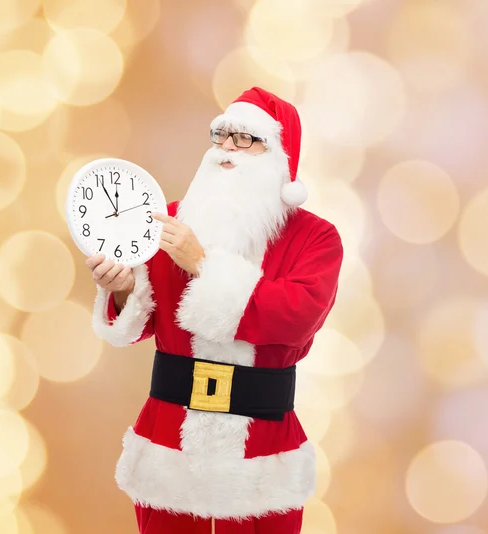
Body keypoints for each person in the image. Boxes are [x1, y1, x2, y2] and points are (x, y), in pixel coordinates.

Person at [87, 87, 344, 534]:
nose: (227, 147)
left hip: (262, 451)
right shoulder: (169, 223)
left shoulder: (315, 239)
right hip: (169, 444)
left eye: (246, 138)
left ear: (280, 157)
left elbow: (297, 317)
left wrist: (204, 264)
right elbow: (138, 324)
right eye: (221, 134)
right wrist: (124, 289)